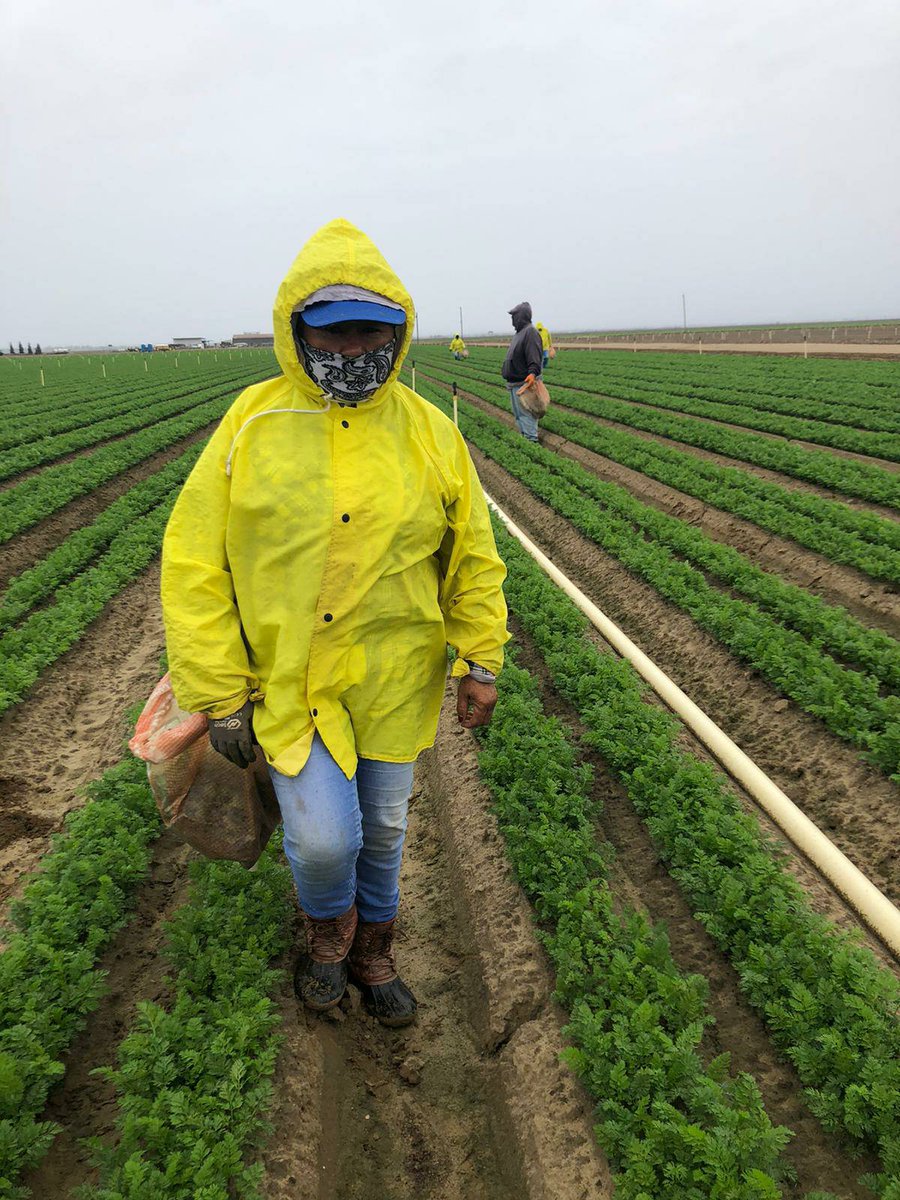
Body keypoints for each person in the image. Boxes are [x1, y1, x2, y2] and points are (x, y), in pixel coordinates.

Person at [161, 218, 509, 1029]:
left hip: (393, 675)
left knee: (382, 829)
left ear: (398, 331)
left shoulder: (430, 432)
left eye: (371, 332)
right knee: (324, 840)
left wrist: (481, 659)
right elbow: (193, 562)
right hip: (288, 680)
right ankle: (328, 934)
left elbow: (472, 556)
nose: (354, 349)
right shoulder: (252, 423)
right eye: (334, 331)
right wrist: (219, 691)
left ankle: (374, 947)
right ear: (297, 330)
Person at [501, 301, 544, 443]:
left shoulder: (530, 332)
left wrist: (532, 373)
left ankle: (531, 442)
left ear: (521, 316)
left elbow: (534, 356)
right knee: (519, 416)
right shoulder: (519, 333)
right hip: (515, 383)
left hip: (524, 383)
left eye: (514, 316)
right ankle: (525, 441)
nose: (512, 320)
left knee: (527, 415)